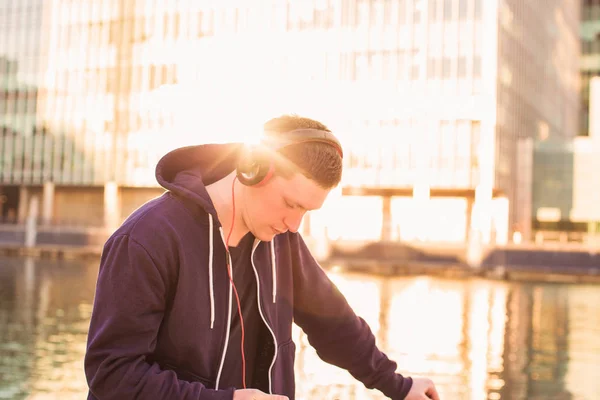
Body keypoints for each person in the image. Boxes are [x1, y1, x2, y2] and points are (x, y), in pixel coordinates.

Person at [84, 114, 440, 400]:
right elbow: (113, 374)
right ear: (252, 170)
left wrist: (399, 385)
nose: (294, 223)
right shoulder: (146, 240)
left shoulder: (281, 240)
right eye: (291, 203)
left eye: (307, 211)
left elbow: (335, 323)